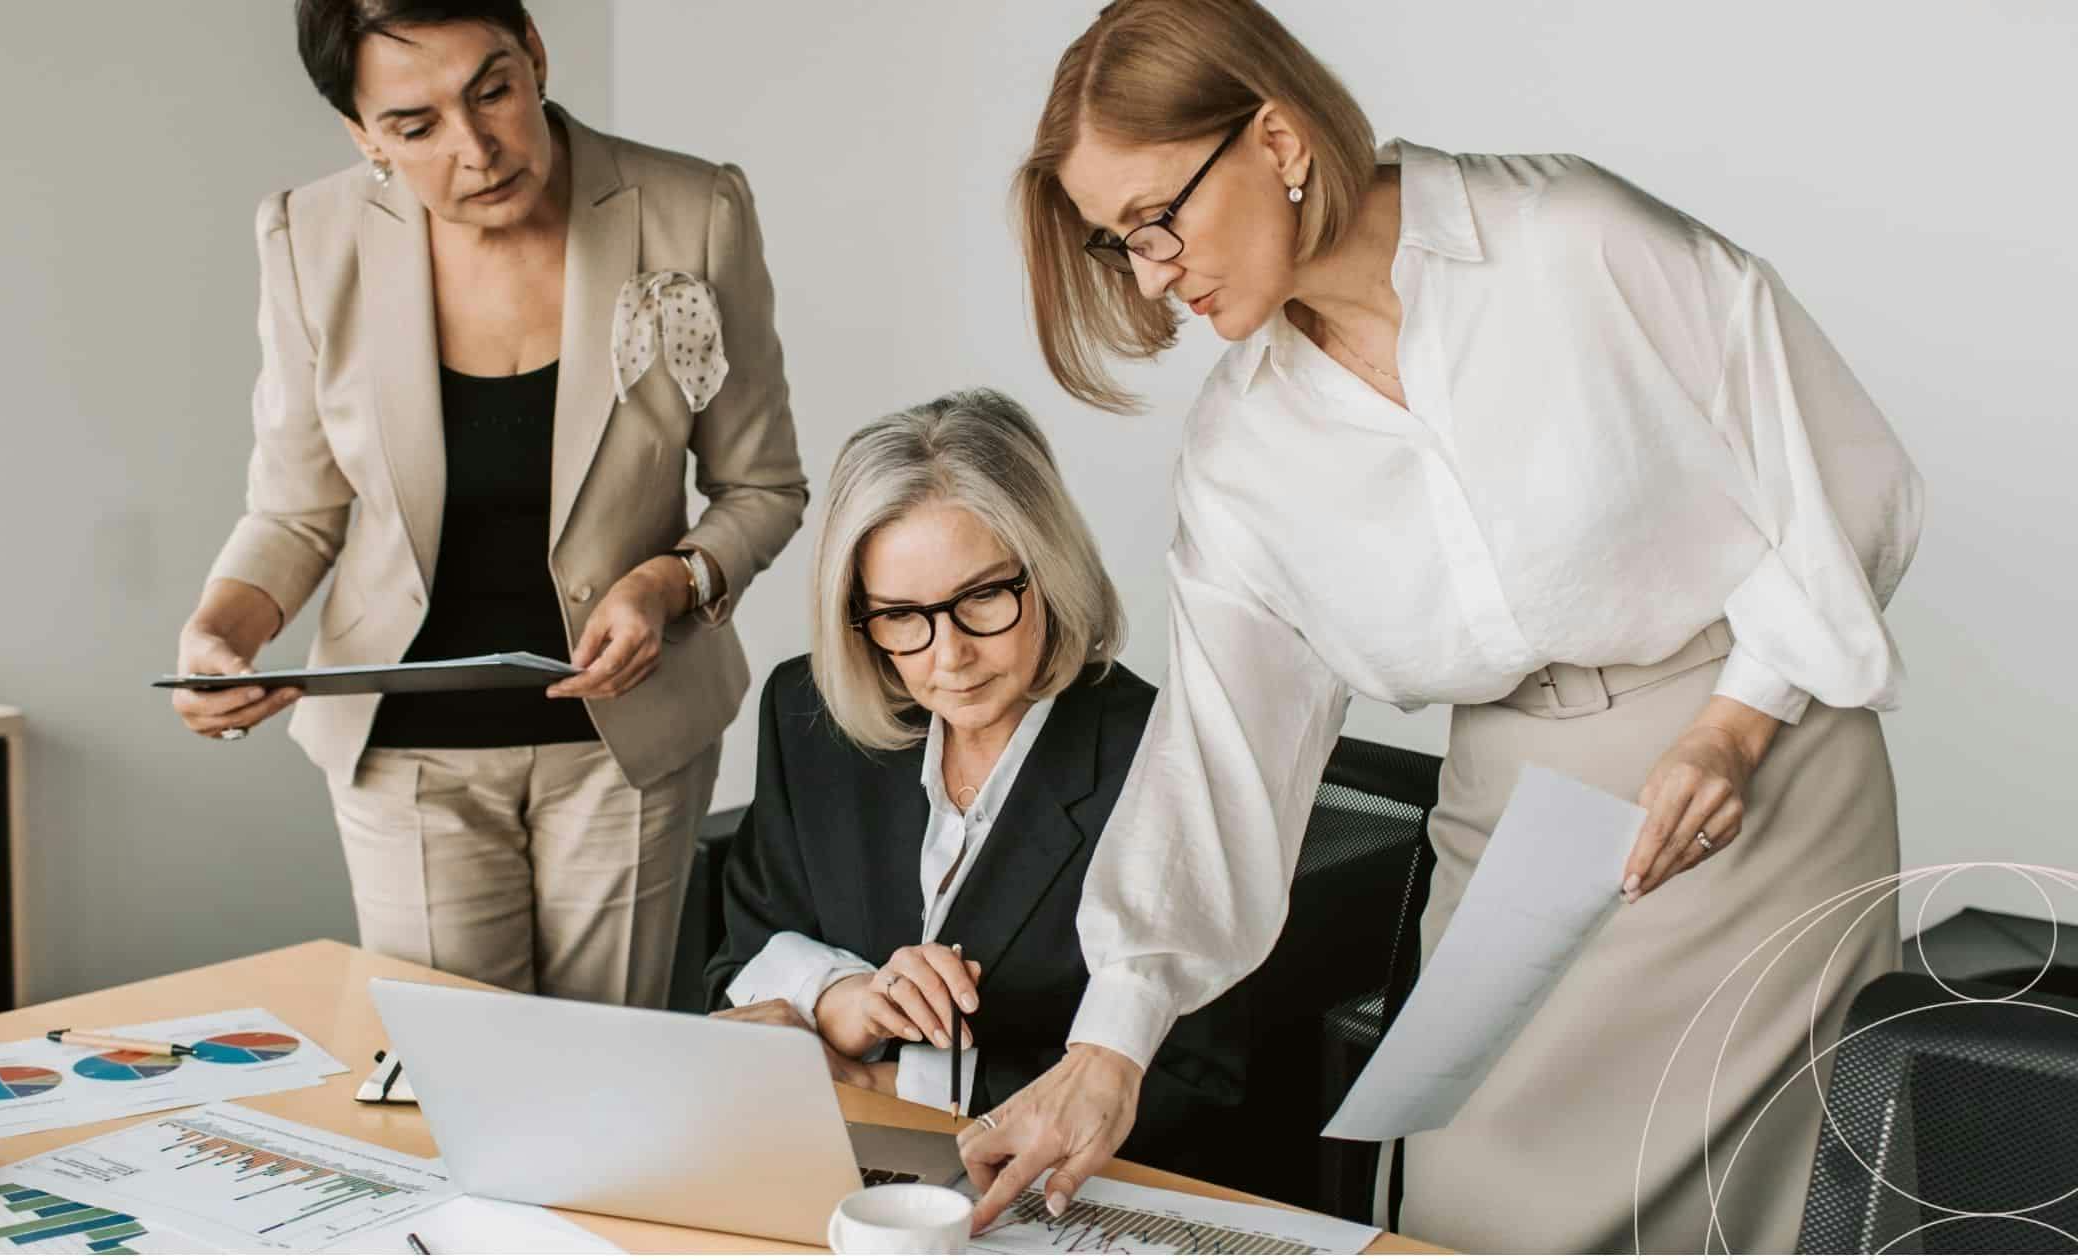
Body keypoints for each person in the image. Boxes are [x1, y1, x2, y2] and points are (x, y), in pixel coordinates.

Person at [958, 0, 1924, 1251]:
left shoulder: (1570, 238)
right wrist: (1111, 1046)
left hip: (1766, 790)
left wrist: (1736, 726)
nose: (1151, 273)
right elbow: (1218, 751)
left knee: (1775, 1216)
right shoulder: (1242, 450)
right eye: (1116, 244)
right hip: (1519, 830)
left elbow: (1841, 470)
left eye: (1156, 220)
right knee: (1466, 1213)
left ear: (1276, 138)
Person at [169, 0, 806, 1008]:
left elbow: (760, 486)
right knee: (452, 1088)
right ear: (363, 135)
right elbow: (296, 510)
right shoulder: (308, 237)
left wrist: (665, 583)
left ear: (535, 55)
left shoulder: (693, 210)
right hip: (402, 749)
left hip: (624, 741)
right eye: (416, 126)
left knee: (608, 1076)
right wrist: (218, 634)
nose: (477, 149)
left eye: (493, 89)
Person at [706, 389, 1244, 1175]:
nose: (947, 655)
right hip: (809, 1158)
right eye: (899, 615)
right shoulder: (807, 713)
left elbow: (1197, 1082)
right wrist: (840, 999)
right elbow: (736, 963)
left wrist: (897, 1081)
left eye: (984, 597)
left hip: (1050, 1195)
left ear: (1050, 567)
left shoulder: (1161, 758)